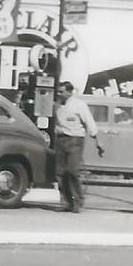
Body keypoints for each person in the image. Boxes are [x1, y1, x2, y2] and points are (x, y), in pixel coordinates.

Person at [54, 81, 104, 212]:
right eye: (58, 91)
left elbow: (90, 123)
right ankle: (67, 202)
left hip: (75, 140)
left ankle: (78, 201)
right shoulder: (57, 105)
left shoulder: (79, 105)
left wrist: (98, 142)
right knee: (60, 174)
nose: (59, 94)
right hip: (60, 140)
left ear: (70, 92)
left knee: (72, 171)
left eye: (62, 92)